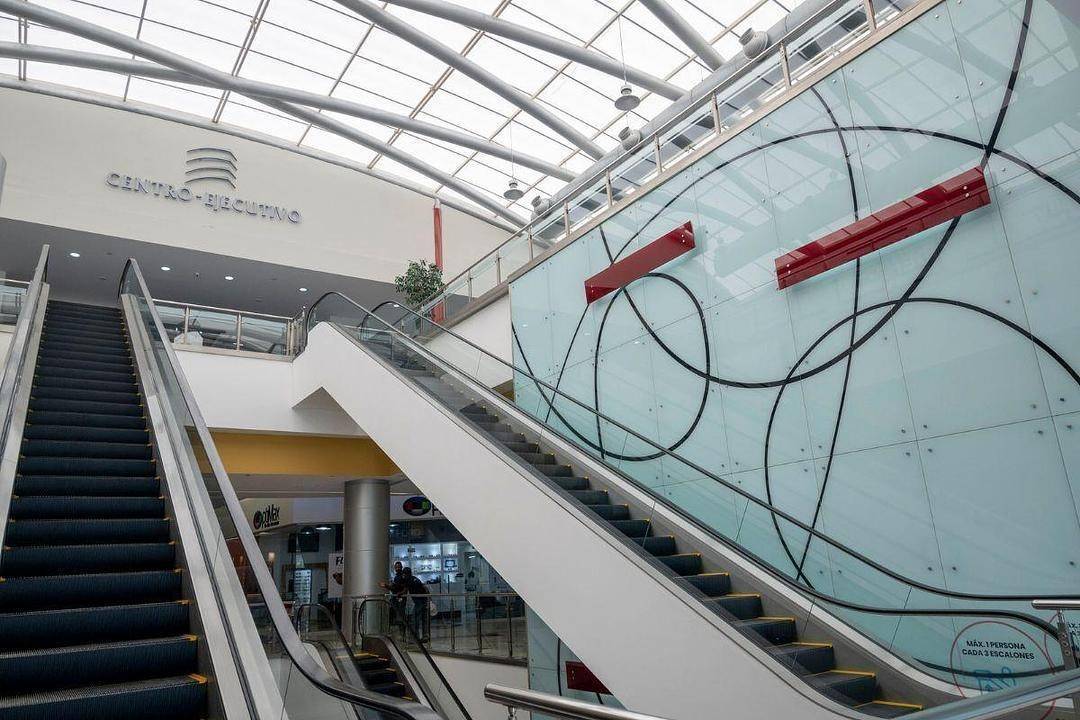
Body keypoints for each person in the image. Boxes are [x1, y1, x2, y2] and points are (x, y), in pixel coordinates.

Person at [401, 567, 430, 642]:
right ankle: (425, 636)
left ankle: (415, 638)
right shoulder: (415, 578)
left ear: (406, 574)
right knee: (424, 619)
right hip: (424, 600)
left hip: (419, 602)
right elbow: (425, 588)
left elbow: (404, 591)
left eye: (404, 574)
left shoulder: (408, 580)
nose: (403, 576)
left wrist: (399, 594)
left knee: (415, 619)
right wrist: (428, 599)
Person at [380, 561, 406, 630]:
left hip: (399, 598)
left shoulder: (401, 577)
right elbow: (395, 588)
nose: (397, 569)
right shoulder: (397, 576)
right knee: (396, 613)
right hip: (397, 598)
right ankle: (400, 629)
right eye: (396, 567)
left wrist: (386, 586)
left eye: (398, 567)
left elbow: (396, 588)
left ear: (401, 567)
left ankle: (401, 630)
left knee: (400, 614)